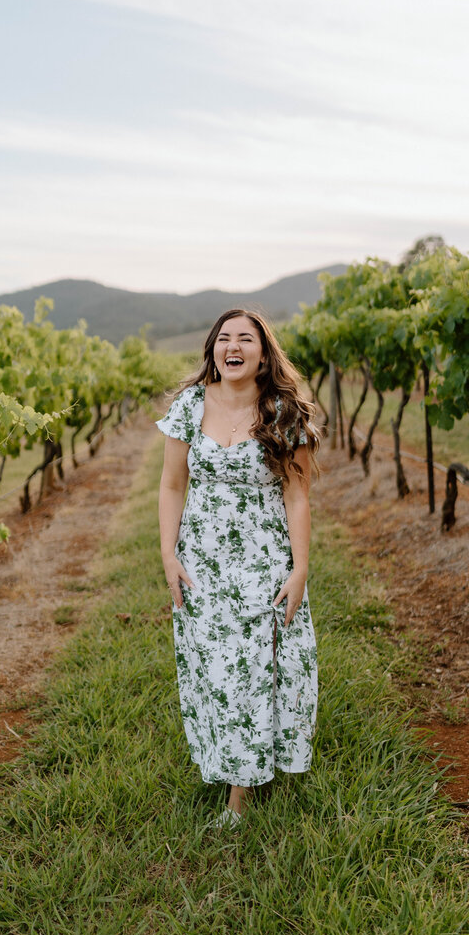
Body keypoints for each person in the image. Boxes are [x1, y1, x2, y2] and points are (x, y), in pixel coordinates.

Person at [157, 308, 319, 826]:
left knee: (252, 670)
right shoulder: (189, 407)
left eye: (245, 339)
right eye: (223, 338)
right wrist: (169, 556)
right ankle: (227, 760)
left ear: (263, 353)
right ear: (212, 351)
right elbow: (171, 485)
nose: (233, 346)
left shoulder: (283, 413)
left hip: (263, 562)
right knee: (212, 668)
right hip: (202, 561)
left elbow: (297, 497)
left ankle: (239, 797)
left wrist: (299, 571)